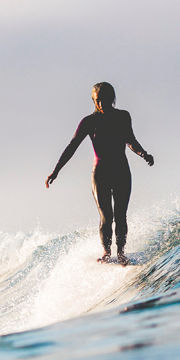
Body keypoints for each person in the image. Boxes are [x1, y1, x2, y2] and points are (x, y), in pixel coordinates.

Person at [46, 82, 154, 265]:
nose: (100, 104)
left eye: (104, 100)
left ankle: (120, 253)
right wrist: (56, 171)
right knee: (106, 217)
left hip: (121, 170)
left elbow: (130, 140)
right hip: (100, 173)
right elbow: (72, 146)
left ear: (112, 99)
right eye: (97, 101)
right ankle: (106, 253)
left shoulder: (123, 116)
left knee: (121, 216)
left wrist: (144, 153)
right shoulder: (89, 122)